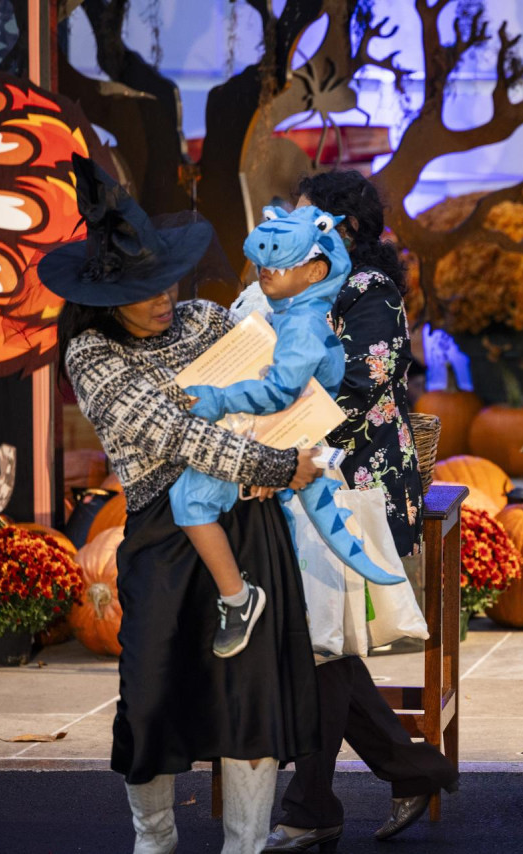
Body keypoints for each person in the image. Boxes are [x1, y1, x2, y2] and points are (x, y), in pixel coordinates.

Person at [40, 155, 321, 854]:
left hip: (247, 527)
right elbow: (176, 434)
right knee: (151, 692)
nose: (163, 296)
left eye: (166, 278)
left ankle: (245, 848)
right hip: (162, 538)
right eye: (143, 289)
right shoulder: (91, 355)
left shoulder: (204, 318)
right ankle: (154, 841)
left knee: (248, 694)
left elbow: (275, 394)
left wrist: (270, 445)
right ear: (107, 296)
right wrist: (274, 461)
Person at [262, 170, 457, 853]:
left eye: (305, 220)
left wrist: (277, 416)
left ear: (340, 230)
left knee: (319, 645)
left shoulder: (369, 292)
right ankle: (404, 773)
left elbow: (359, 385)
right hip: (301, 484)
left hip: (358, 493)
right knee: (322, 646)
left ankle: (312, 807)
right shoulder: (293, 294)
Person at [168, 203, 402, 660]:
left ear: (316, 271)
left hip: (286, 437)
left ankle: (239, 600)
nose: (264, 273)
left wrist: (215, 398)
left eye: (279, 265)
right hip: (284, 439)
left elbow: (278, 391)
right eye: (262, 265)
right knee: (280, 532)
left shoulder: (303, 325)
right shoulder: (292, 315)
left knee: (190, 500)